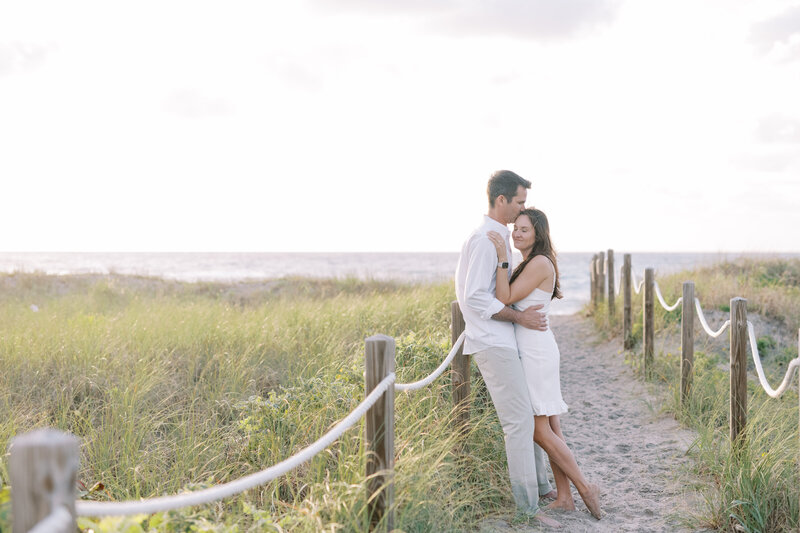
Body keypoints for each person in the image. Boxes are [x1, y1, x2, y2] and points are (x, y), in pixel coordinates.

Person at [455, 170, 559, 527]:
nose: (521, 210)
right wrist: (517, 317)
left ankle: (542, 486)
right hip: (492, 343)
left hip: (504, 341)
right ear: (501, 201)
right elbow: (473, 297)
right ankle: (528, 509)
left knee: (527, 417)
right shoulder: (486, 240)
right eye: (519, 202)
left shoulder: (499, 239)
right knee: (517, 424)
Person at [487, 208, 603, 520]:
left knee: (539, 431)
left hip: (536, 353)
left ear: (538, 233)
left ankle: (584, 487)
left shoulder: (538, 262)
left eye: (524, 229)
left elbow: (504, 295)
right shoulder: (531, 262)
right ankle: (565, 496)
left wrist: (501, 256)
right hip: (538, 348)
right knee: (551, 426)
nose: (517, 234)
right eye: (516, 229)